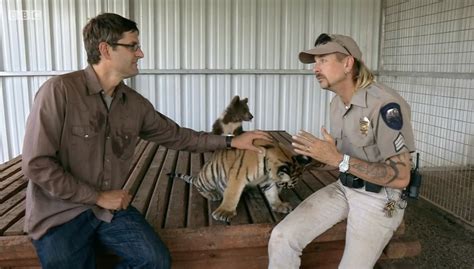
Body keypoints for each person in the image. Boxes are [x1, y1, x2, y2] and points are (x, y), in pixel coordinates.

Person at [21, 13, 270, 269]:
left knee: (154, 260)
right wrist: (97, 197)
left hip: (107, 211)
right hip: (59, 213)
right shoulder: (59, 91)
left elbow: (178, 136)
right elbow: (37, 165)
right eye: (133, 46)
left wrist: (231, 142)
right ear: (105, 49)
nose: (140, 54)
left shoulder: (134, 104)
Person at [267, 33, 415, 268]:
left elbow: (401, 177)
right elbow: (337, 159)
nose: (315, 69)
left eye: (322, 60)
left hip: (380, 197)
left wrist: (337, 159)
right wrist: (311, 158)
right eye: (315, 62)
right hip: (345, 186)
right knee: (282, 237)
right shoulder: (336, 103)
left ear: (348, 63)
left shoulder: (385, 105)